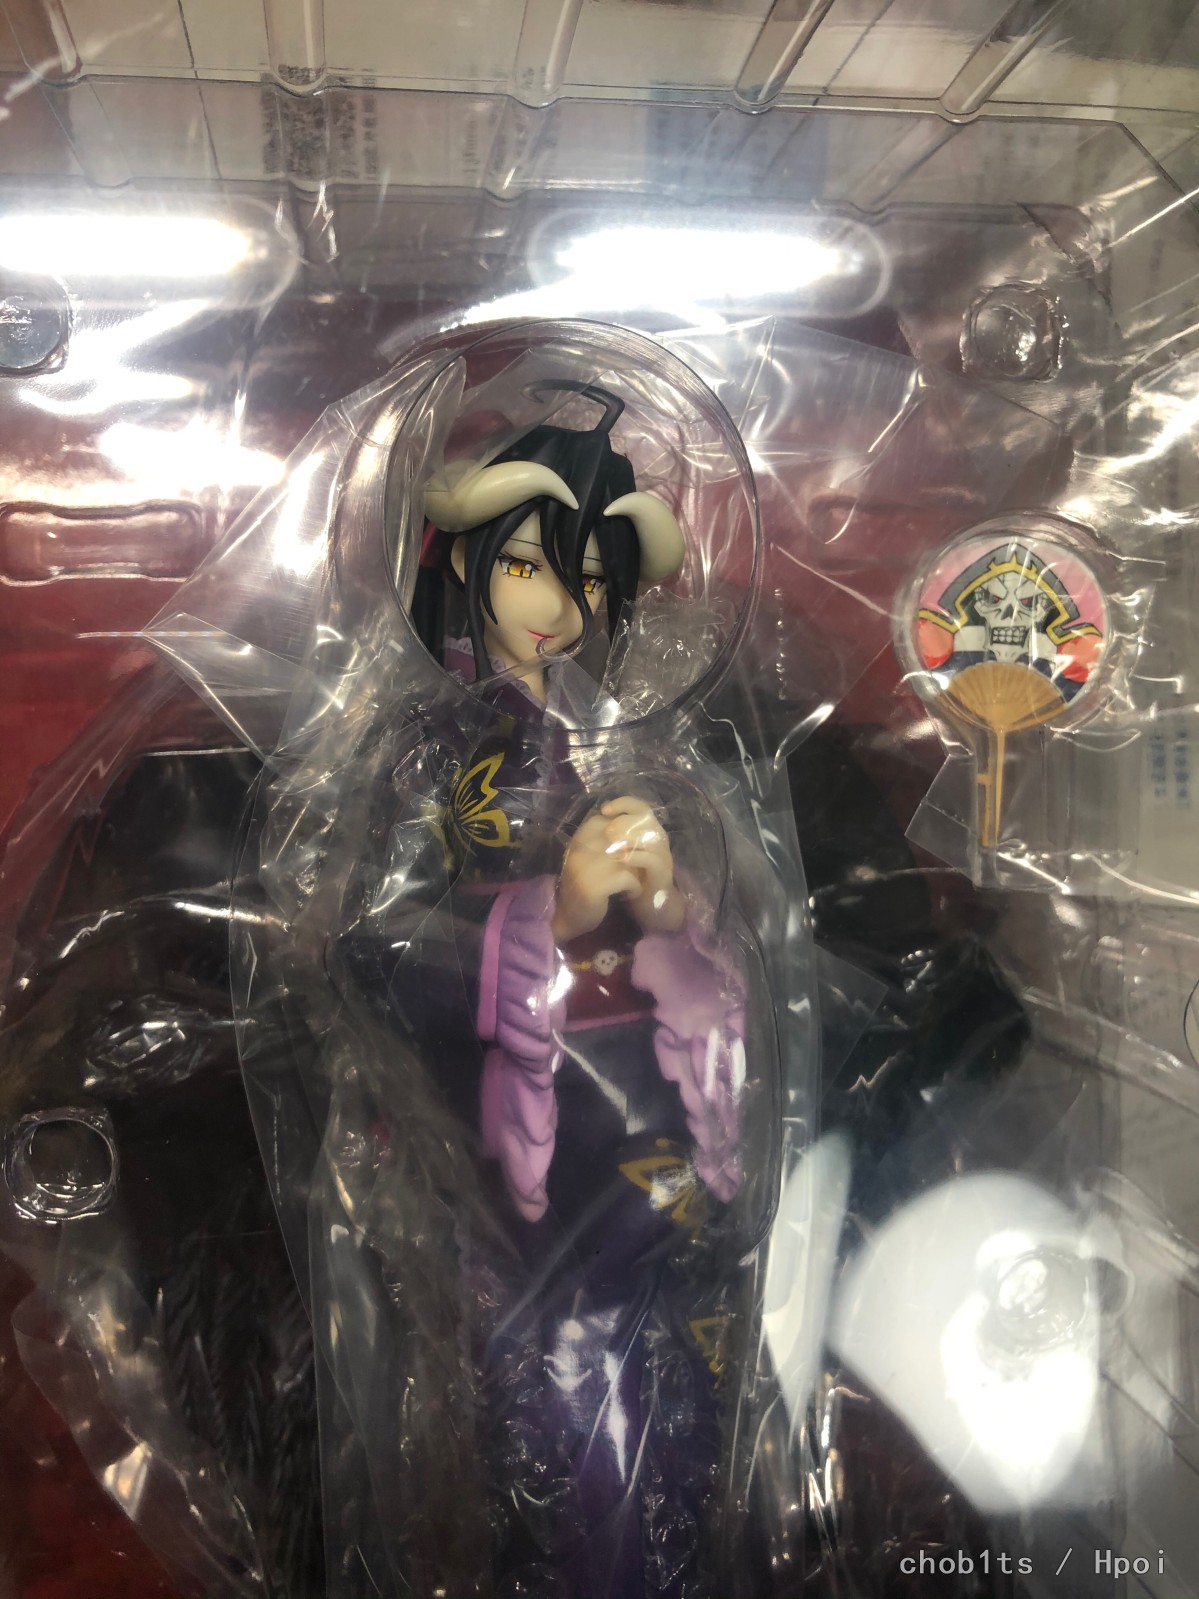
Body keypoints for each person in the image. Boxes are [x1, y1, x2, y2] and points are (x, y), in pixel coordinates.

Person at [338, 383, 750, 1598]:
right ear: (464, 569)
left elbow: (721, 961)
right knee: (539, 1388)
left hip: (640, 1101)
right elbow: (370, 952)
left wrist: (670, 914)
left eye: (590, 579)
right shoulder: (425, 752)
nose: (559, 609)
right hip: (506, 1131)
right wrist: (548, 919)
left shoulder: (646, 747)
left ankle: (665, 1538)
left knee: (662, 1366)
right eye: (526, 567)